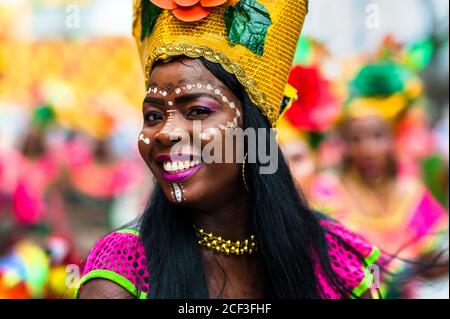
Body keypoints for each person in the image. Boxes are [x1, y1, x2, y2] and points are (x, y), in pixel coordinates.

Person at [75, 0, 383, 299]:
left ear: (253, 128)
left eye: (197, 111)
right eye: (153, 116)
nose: (166, 133)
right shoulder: (123, 270)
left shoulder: (335, 262)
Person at [310, 60, 449, 298]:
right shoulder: (326, 194)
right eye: (356, 138)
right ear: (344, 143)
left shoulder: (411, 193)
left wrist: (423, 268)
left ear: (394, 137)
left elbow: (434, 261)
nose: (368, 149)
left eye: (378, 135)